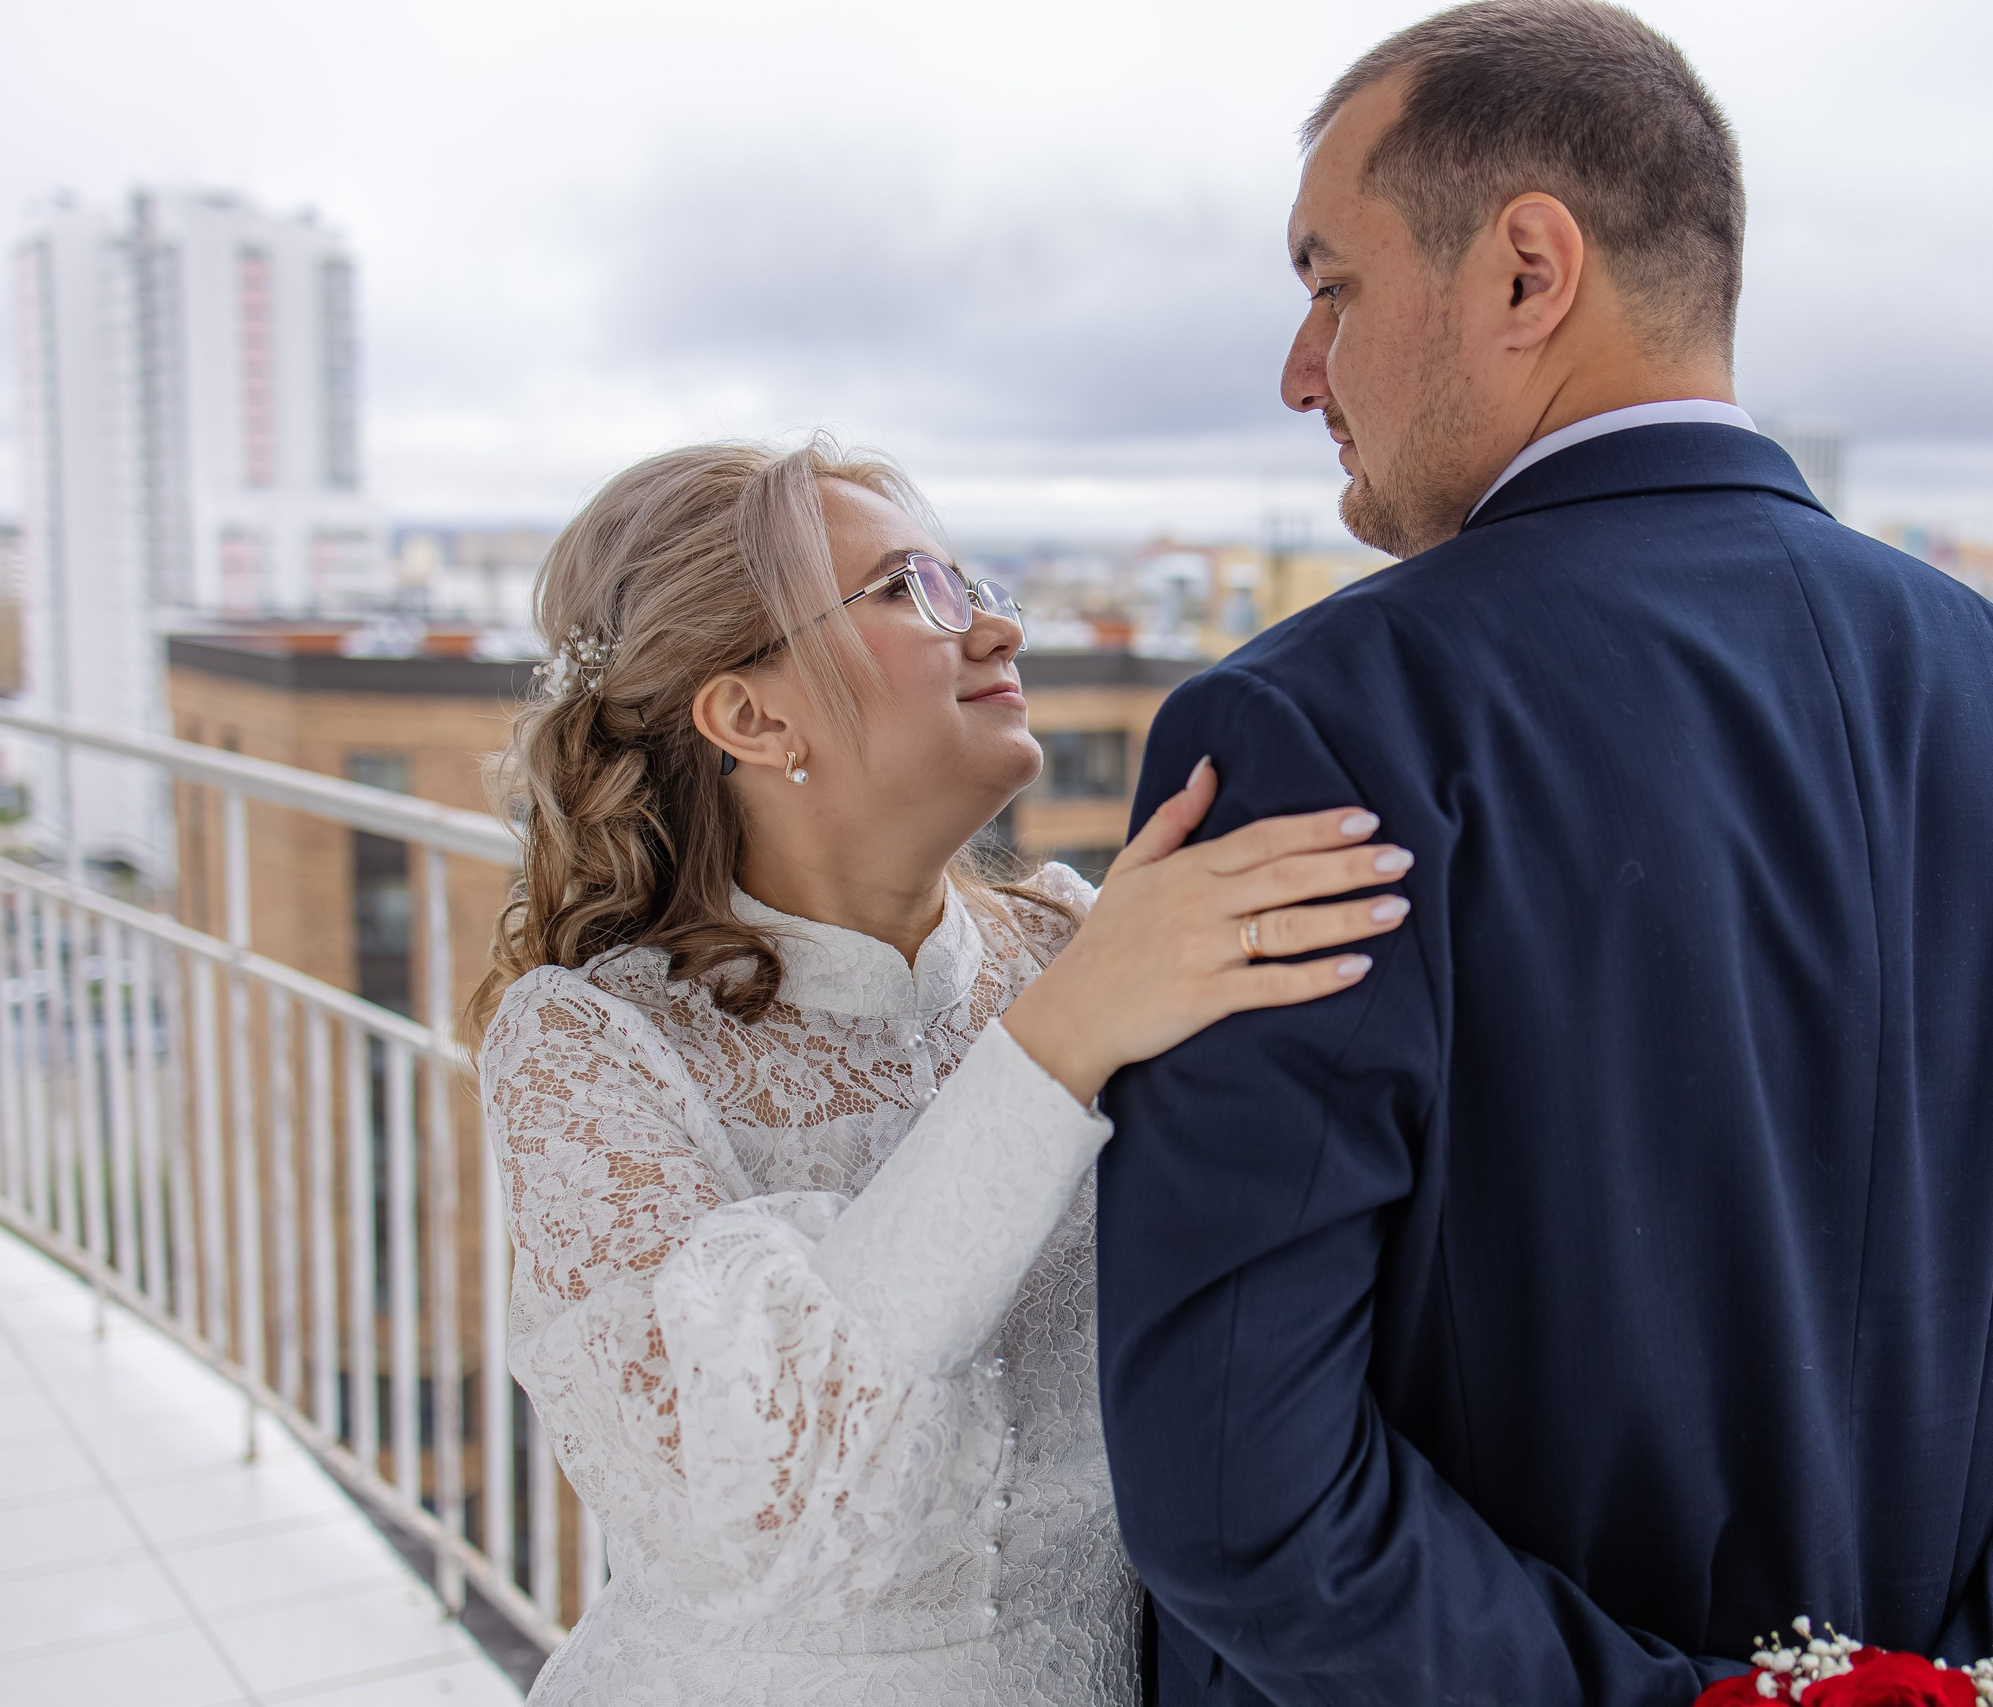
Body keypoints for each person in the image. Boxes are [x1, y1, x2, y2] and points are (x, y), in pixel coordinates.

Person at [1095, 5, 1993, 1706]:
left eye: (1332, 284)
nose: (1301, 368)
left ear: (1525, 270)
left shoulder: (1316, 725)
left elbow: (1233, 1477)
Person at [469, 439, 1410, 1706]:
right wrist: (1063, 1042)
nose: (1001, 628)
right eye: (916, 591)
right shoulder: (584, 1049)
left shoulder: (1080, 942)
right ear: (750, 714)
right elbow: (747, 1499)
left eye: (974, 583)